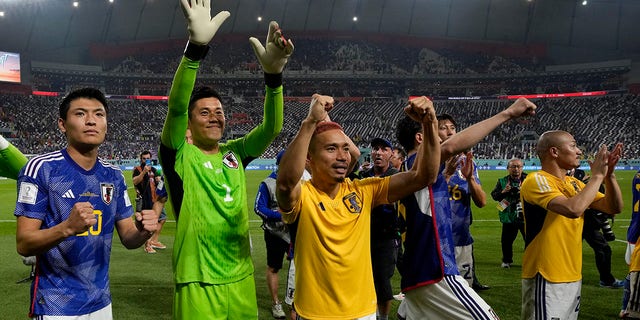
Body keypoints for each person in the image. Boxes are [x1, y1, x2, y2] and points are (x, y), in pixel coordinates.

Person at [158, 1, 293, 318]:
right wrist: (195, 50)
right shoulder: (179, 153)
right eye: (204, 113)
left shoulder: (236, 153)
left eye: (219, 112)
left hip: (241, 278)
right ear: (189, 124)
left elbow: (271, 128)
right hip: (198, 280)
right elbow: (176, 108)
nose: (215, 117)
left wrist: (273, 78)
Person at [276, 94, 441, 319]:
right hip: (315, 313)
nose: (343, 156)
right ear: (309, 159)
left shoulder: (364, 190)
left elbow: (424, 176)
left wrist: (430, 123)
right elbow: (285, 185)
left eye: (346, 148)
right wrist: (310, 122)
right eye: (331, 149)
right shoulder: (303, 195)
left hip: (363, 312)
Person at [14, 87, 159, 318]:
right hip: (55, 304)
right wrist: (67, 227)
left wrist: (143, 231)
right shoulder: (41, 169)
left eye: (99, 114)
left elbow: (129, 238)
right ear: (62, 124)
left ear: (106, 124)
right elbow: (24, 243)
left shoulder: (114, 175)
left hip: (101, 303)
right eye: (81, 114)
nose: (91, 121)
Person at [395, 97, 536, 320]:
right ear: (421, 138)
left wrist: (448, 175)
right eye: (436, 129)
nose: (445, 135)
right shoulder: (420, 161)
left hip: (417, 271)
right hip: (436, 270)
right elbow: (451, 146)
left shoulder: (408, 169)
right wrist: (507, 113)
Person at [520, 131, 624, 320]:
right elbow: (573, 209)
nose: (579, 152)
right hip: (546, 274)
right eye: (573, 146)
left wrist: (609, 177)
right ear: (554, 151)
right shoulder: (537, 180)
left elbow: (613, 207)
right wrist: (597, 177)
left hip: (572, 273)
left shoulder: (574, 183)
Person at [438, 113, 489, 291]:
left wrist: (470, 180)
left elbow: (482, 202)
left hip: (461, 239)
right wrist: (446, 174)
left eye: (452, 128)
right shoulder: (428, 162)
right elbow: (424, 200)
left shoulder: (467, 164)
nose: (449, 131)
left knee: (465, 292)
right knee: (438, 295)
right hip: (436, 240)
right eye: (443, 128)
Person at [358, 137, 400, 320]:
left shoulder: (396, 177)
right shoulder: (363, 177)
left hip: (387, 238)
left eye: (384, 149)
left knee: (382, 283)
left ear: (391, 154)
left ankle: (382, 318)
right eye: (375, 148)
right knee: (362, 281)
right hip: (362, 238)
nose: (378, 152)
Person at [569, 168, 623, 288]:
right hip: (579, 223)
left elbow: (607, 206)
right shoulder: (576, 178)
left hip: (588, 224)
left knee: (603, 249)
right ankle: (606, 280)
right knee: (602, 250)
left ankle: (606, 279)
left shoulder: (592, 183)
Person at [254, 150, 290, 319]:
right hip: (275, 233)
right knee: (274, 267)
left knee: (300, 267)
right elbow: (258, 208)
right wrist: (280, 216)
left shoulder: (300, 180)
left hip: (295, 233)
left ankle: (297, 300)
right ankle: (276, 304)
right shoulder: (268, 183)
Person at [490, 158, 527, 268]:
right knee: (506, 241)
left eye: (518, 166)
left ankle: (530, 261)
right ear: (508, 169)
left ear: (522, 168)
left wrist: (524, 192)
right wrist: (504, 192)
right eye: (513, 167)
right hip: (508, 215)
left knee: (530, 241)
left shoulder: (529, 179)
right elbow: (494, 196)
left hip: (526, 215)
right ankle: (507, 261)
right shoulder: (502, 181)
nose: (516, 169)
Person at [132, 150, 166, 254]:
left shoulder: (154, 169)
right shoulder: (138, 169)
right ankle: (147, 245)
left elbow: (158, 183)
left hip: (155, 199)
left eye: (148, 158)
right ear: (141, 159)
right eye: (144, 158)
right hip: (145, 200)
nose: (146, 160)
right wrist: (144, 172)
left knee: (162, 219)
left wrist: (160, 179)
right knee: (148, 224)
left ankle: (154, 241)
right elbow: (135, 181)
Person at [623, 169, 640, 319]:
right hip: (638, 231)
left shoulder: (638, 175)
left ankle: (625, 308)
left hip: (635, 227)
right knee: (635, 272)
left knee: (633, 272)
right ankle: (628, 310)